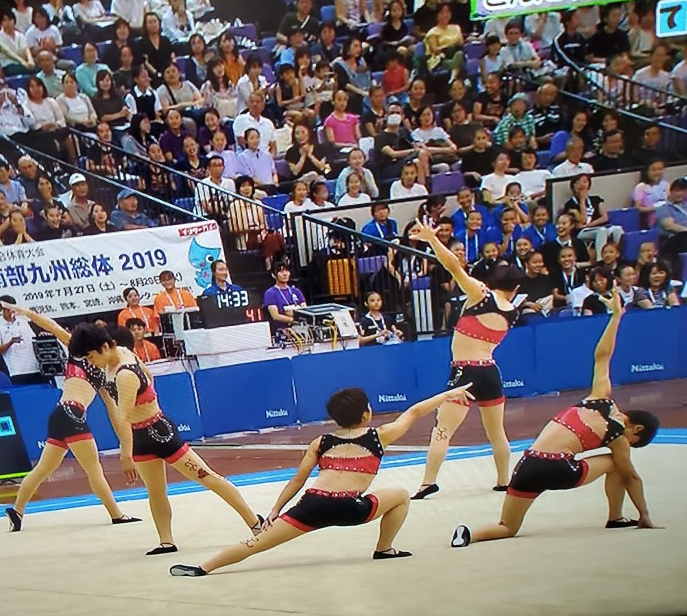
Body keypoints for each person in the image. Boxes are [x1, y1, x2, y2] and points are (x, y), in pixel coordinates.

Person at [170, 383, 474, 577]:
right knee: (401, 495)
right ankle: (384, 548)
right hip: (351, 509)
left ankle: (202, 567)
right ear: (367, 414)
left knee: (254, 544)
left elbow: (297, 481)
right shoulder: (380, 435)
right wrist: (447, 395)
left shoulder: (321, 441)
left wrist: (275, 511)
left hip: (311, 506)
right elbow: (414, 411)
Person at [452, 291, 661, 547]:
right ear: (636, 428)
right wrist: (644, 514)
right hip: (558, 468)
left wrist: (616, 316)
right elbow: (632, 478)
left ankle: (468, 534)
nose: (627, 445)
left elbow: (602, 356)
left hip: (528, 464)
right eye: (633, 442)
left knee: (507, 527)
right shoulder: (617, 433)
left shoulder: (598, 398)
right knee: (619, 465)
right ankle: (615, 517)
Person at [79, 322, 266, 554]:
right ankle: (166, 541)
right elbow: (148, 377)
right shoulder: (117, 355)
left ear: (106, 347)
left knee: (207, 477)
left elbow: (123, 416)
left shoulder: (125, 373)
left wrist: (125, 454)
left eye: (90, 357)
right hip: (140, 436)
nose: (90, 363)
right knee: (155, 491)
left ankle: (255, 522)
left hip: (161, 433)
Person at [408, 220, 524, 498]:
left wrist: (432, 240)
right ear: (516, 288)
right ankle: (503, 480)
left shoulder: (480, 294)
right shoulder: (513, 311)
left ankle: (428, 482)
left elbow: (453, 266)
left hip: (466, 373)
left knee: (442, 429)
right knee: (496, 432)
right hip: (490, 372)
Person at [0, 305, 140, 532]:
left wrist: (27, 313)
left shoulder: (86, 362)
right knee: (94, 470)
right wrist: (28, 313)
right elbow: (114, 413)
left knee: (42, 469)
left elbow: (52, 326)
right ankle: (117, 515)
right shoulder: (92, 363)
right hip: (73, 415)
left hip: (59, 415)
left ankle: (17, 511)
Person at [0, 295, 42, 384]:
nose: (10, 311)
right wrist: (11, 342)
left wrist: (41, 337)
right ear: (1, 308)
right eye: (7, 309)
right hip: (17, 371)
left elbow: (33, 340)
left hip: (34, 368)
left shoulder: (23, 322)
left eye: (12, 308)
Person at [263, 262, 307, 330]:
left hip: (302, 328)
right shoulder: (270, 293)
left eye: (287, 271)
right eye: (281, 271)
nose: (285, 274)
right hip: (282, 330)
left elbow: (305, 310)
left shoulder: (296, 291)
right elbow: (275, 316)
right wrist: (293, 320)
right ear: (273, 275)